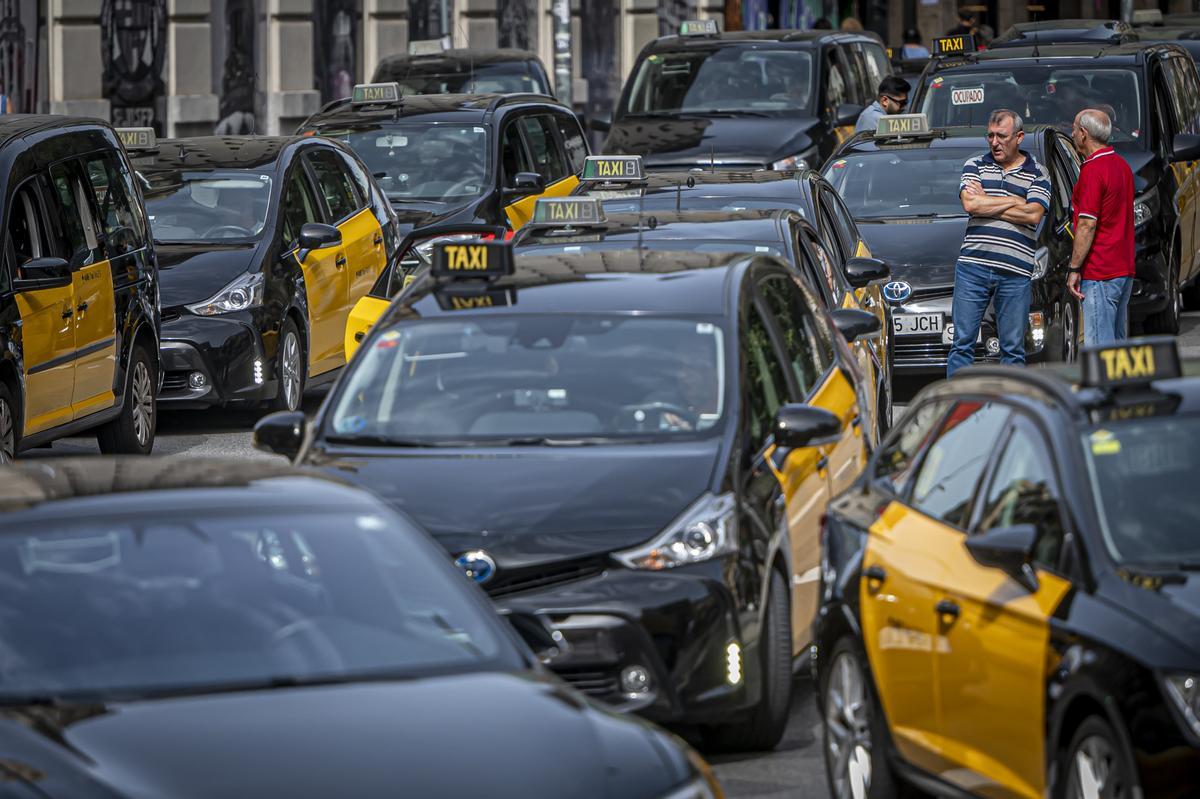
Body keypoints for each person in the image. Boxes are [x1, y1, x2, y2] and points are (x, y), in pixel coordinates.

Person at [949, 109, 1052, 377]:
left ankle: (1012, 410)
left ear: (1019, 137)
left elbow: (1033, 214)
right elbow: (971, 203)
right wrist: (1016, 200)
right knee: (962, 344)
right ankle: (956, 410)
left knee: (1013, 349)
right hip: (973, 268)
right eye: (990, 136)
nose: (994, 143)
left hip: (1015, 273)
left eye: (1001, 136)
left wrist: (989, 203)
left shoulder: (1038, 173)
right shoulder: (975, 165)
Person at [1067, 109, 1135, 345]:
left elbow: (1087, 224)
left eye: (1074, 129)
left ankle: (1103, 385)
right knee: (1116, 348)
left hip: (1100, 271)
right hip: (1123, 267)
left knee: (1100, 351)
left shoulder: (1093, 170)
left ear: (1084, 134)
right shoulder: (1122, 165)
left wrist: (1074, 268)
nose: (1072, 133)